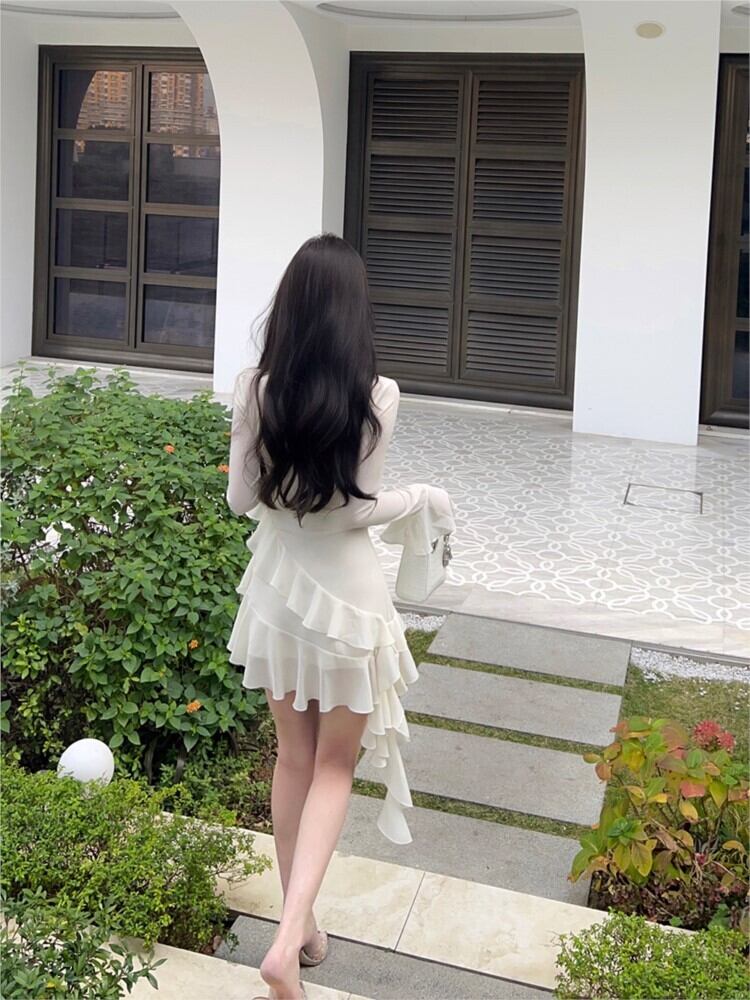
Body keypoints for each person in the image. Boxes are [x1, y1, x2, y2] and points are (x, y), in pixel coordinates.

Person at [225, 234, 454, 1000]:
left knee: (292, 759)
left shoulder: (256, 388)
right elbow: (354, 511)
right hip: (349, 602)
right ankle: (291, 936)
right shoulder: (377, 395)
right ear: (355, 312)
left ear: (289, 305)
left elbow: (240, 501)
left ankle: (301, 930)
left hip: (280, 593)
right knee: (332, 767)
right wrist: (420, 498)